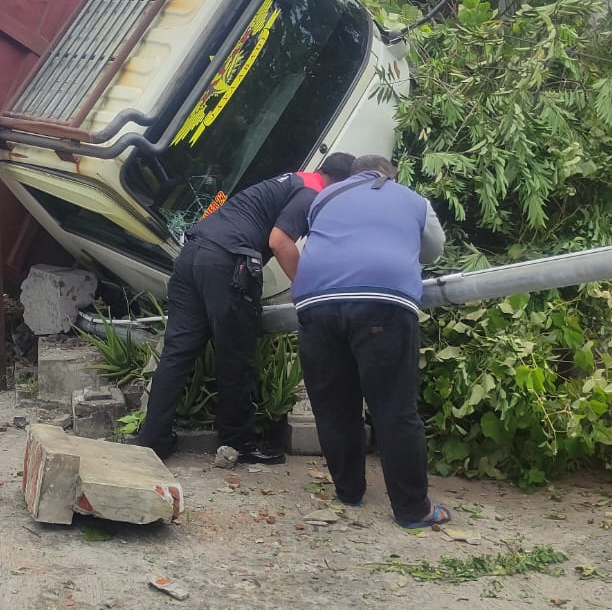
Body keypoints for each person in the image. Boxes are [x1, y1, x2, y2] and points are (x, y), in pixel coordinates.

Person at [136, 153, 357, 463]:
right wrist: (307, 288)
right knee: (235, 356)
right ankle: (238, 442)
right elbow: (280, 241)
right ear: (338, 183)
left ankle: (153, 439)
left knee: (177, 352)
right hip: (228, 262)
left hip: (192, 255)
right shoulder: (311, 194)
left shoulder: (291, 180)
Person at [290, 154, 449, 529]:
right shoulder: (410, 199)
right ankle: (413, 509)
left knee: (334, 406)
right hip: (382, 303)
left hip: (315, 306)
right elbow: (433, 251)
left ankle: (349, 491)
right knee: (394, 408)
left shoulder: (323, 200)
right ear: (388, 176)